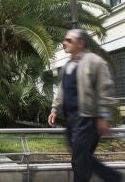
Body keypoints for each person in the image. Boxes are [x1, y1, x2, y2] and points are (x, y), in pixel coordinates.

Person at [48, 29, 123, 182]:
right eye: (65, 40)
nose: (64, 43)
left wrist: (104, 116)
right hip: (71, 121)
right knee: (80, 159)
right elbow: (62, 89)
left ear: (80, 43)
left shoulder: (94, 61)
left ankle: (113, 178)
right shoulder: (68, 65)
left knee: (80, 159)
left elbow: (105, 89)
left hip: (88, 120)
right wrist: (54, 109)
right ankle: (114, 178)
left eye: (69, 40)